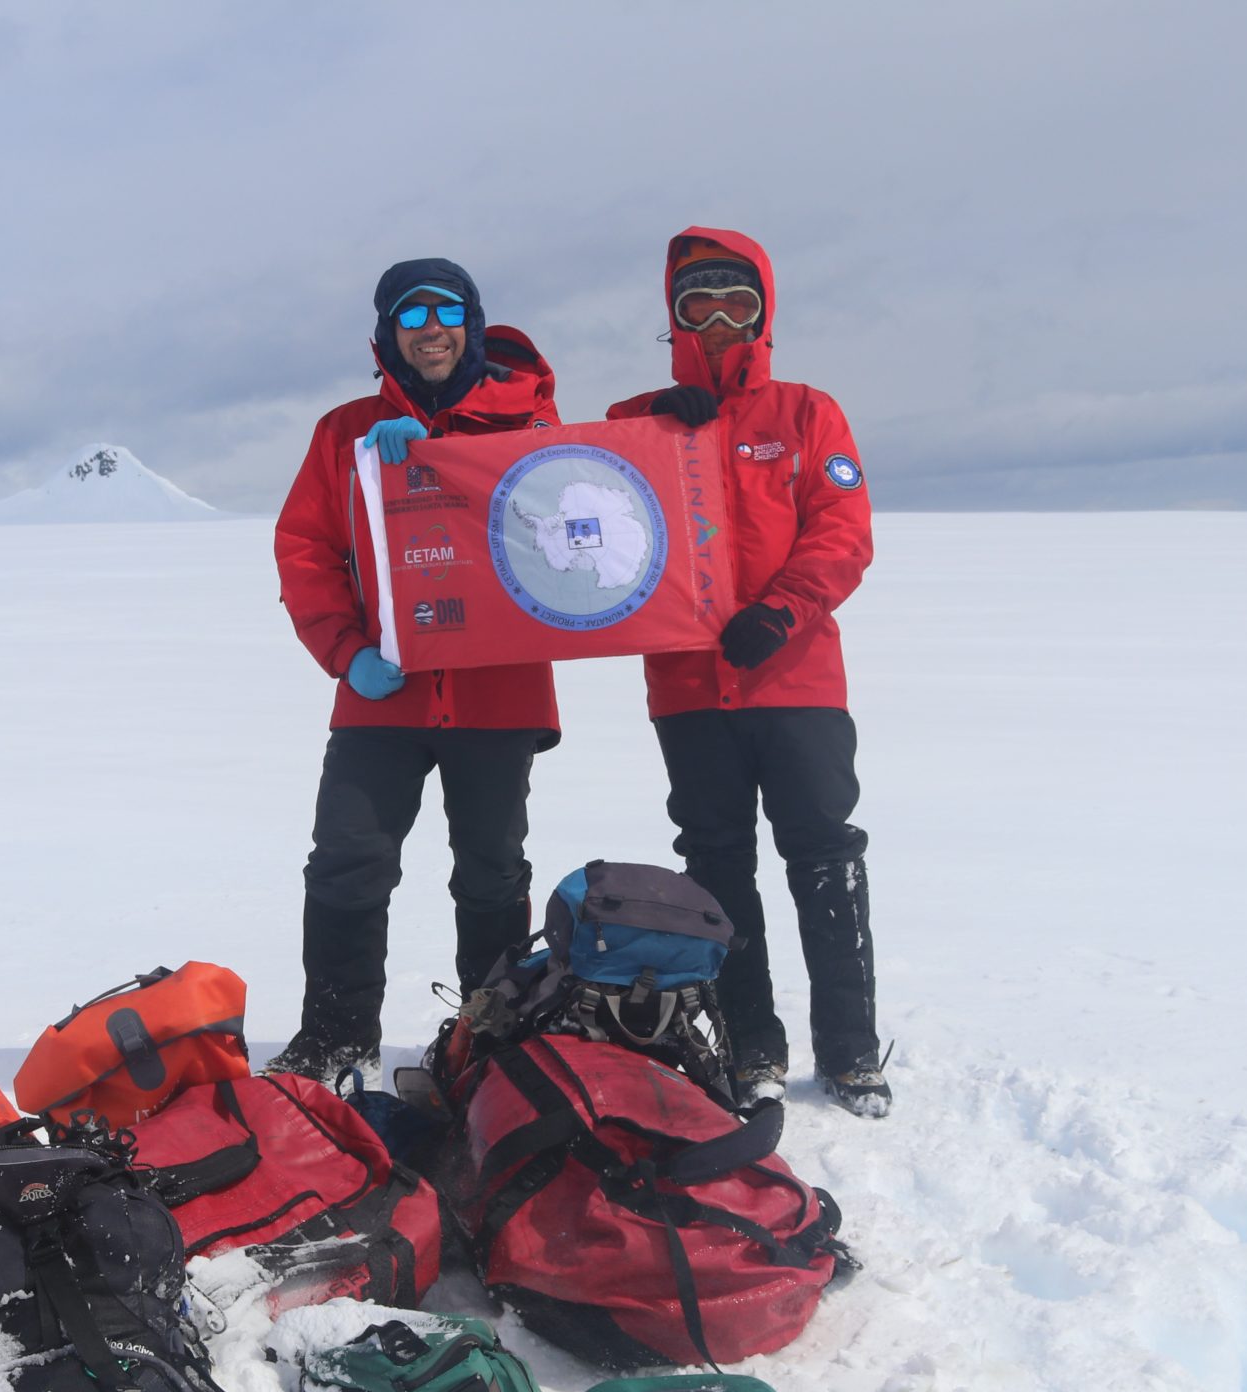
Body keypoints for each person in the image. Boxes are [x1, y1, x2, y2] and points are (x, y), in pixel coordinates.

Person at [606, 227, 889, 1117]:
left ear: (765, 313)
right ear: (675, 316)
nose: (721, 319)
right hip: (689, 692)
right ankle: (749, 1045)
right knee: (717, 864)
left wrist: (783, 611)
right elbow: (579, 527)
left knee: (824, 855)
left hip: (797, 683)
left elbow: (843, 530)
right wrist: (656, 438)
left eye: (739, 301)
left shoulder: (809, 413)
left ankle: (849, 1051)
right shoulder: (632, 423)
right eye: (701, 302)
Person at [268, 259, 561, 1083]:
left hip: (496, 692)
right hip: (381, 693)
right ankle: (336, 1031)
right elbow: (306, 552)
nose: (429, 328)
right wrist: (346, 651)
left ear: (470, 320)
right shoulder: (343, 433)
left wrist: (447, 457)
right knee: (347, 860)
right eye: (409, 315)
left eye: (445, 310)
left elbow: (566, 518)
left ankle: (489, 1036)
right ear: (386, 335)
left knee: (492, 870)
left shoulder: (532, 423)